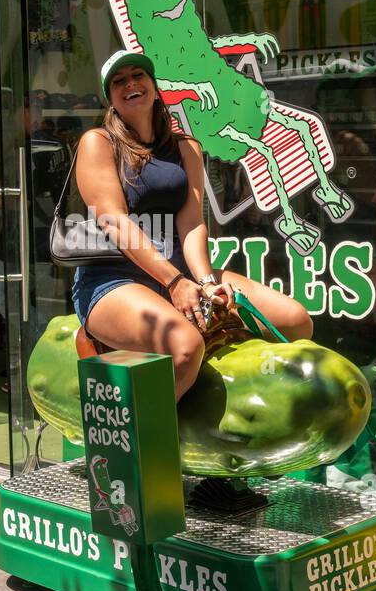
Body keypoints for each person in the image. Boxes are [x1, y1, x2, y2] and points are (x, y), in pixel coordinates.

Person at [73, 51, 313, 400]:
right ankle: (146, 443)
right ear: (110, 98)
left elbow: (192, 223)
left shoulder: (186, 146)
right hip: (115, 280)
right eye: (118, 81)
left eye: (138, 75)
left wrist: (205, 282)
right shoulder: (98, 142)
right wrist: (173, 282)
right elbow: (114, 220)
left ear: (154, 87)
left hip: (183, 276)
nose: (130, 84)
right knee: (185, 349)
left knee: (295, 321)